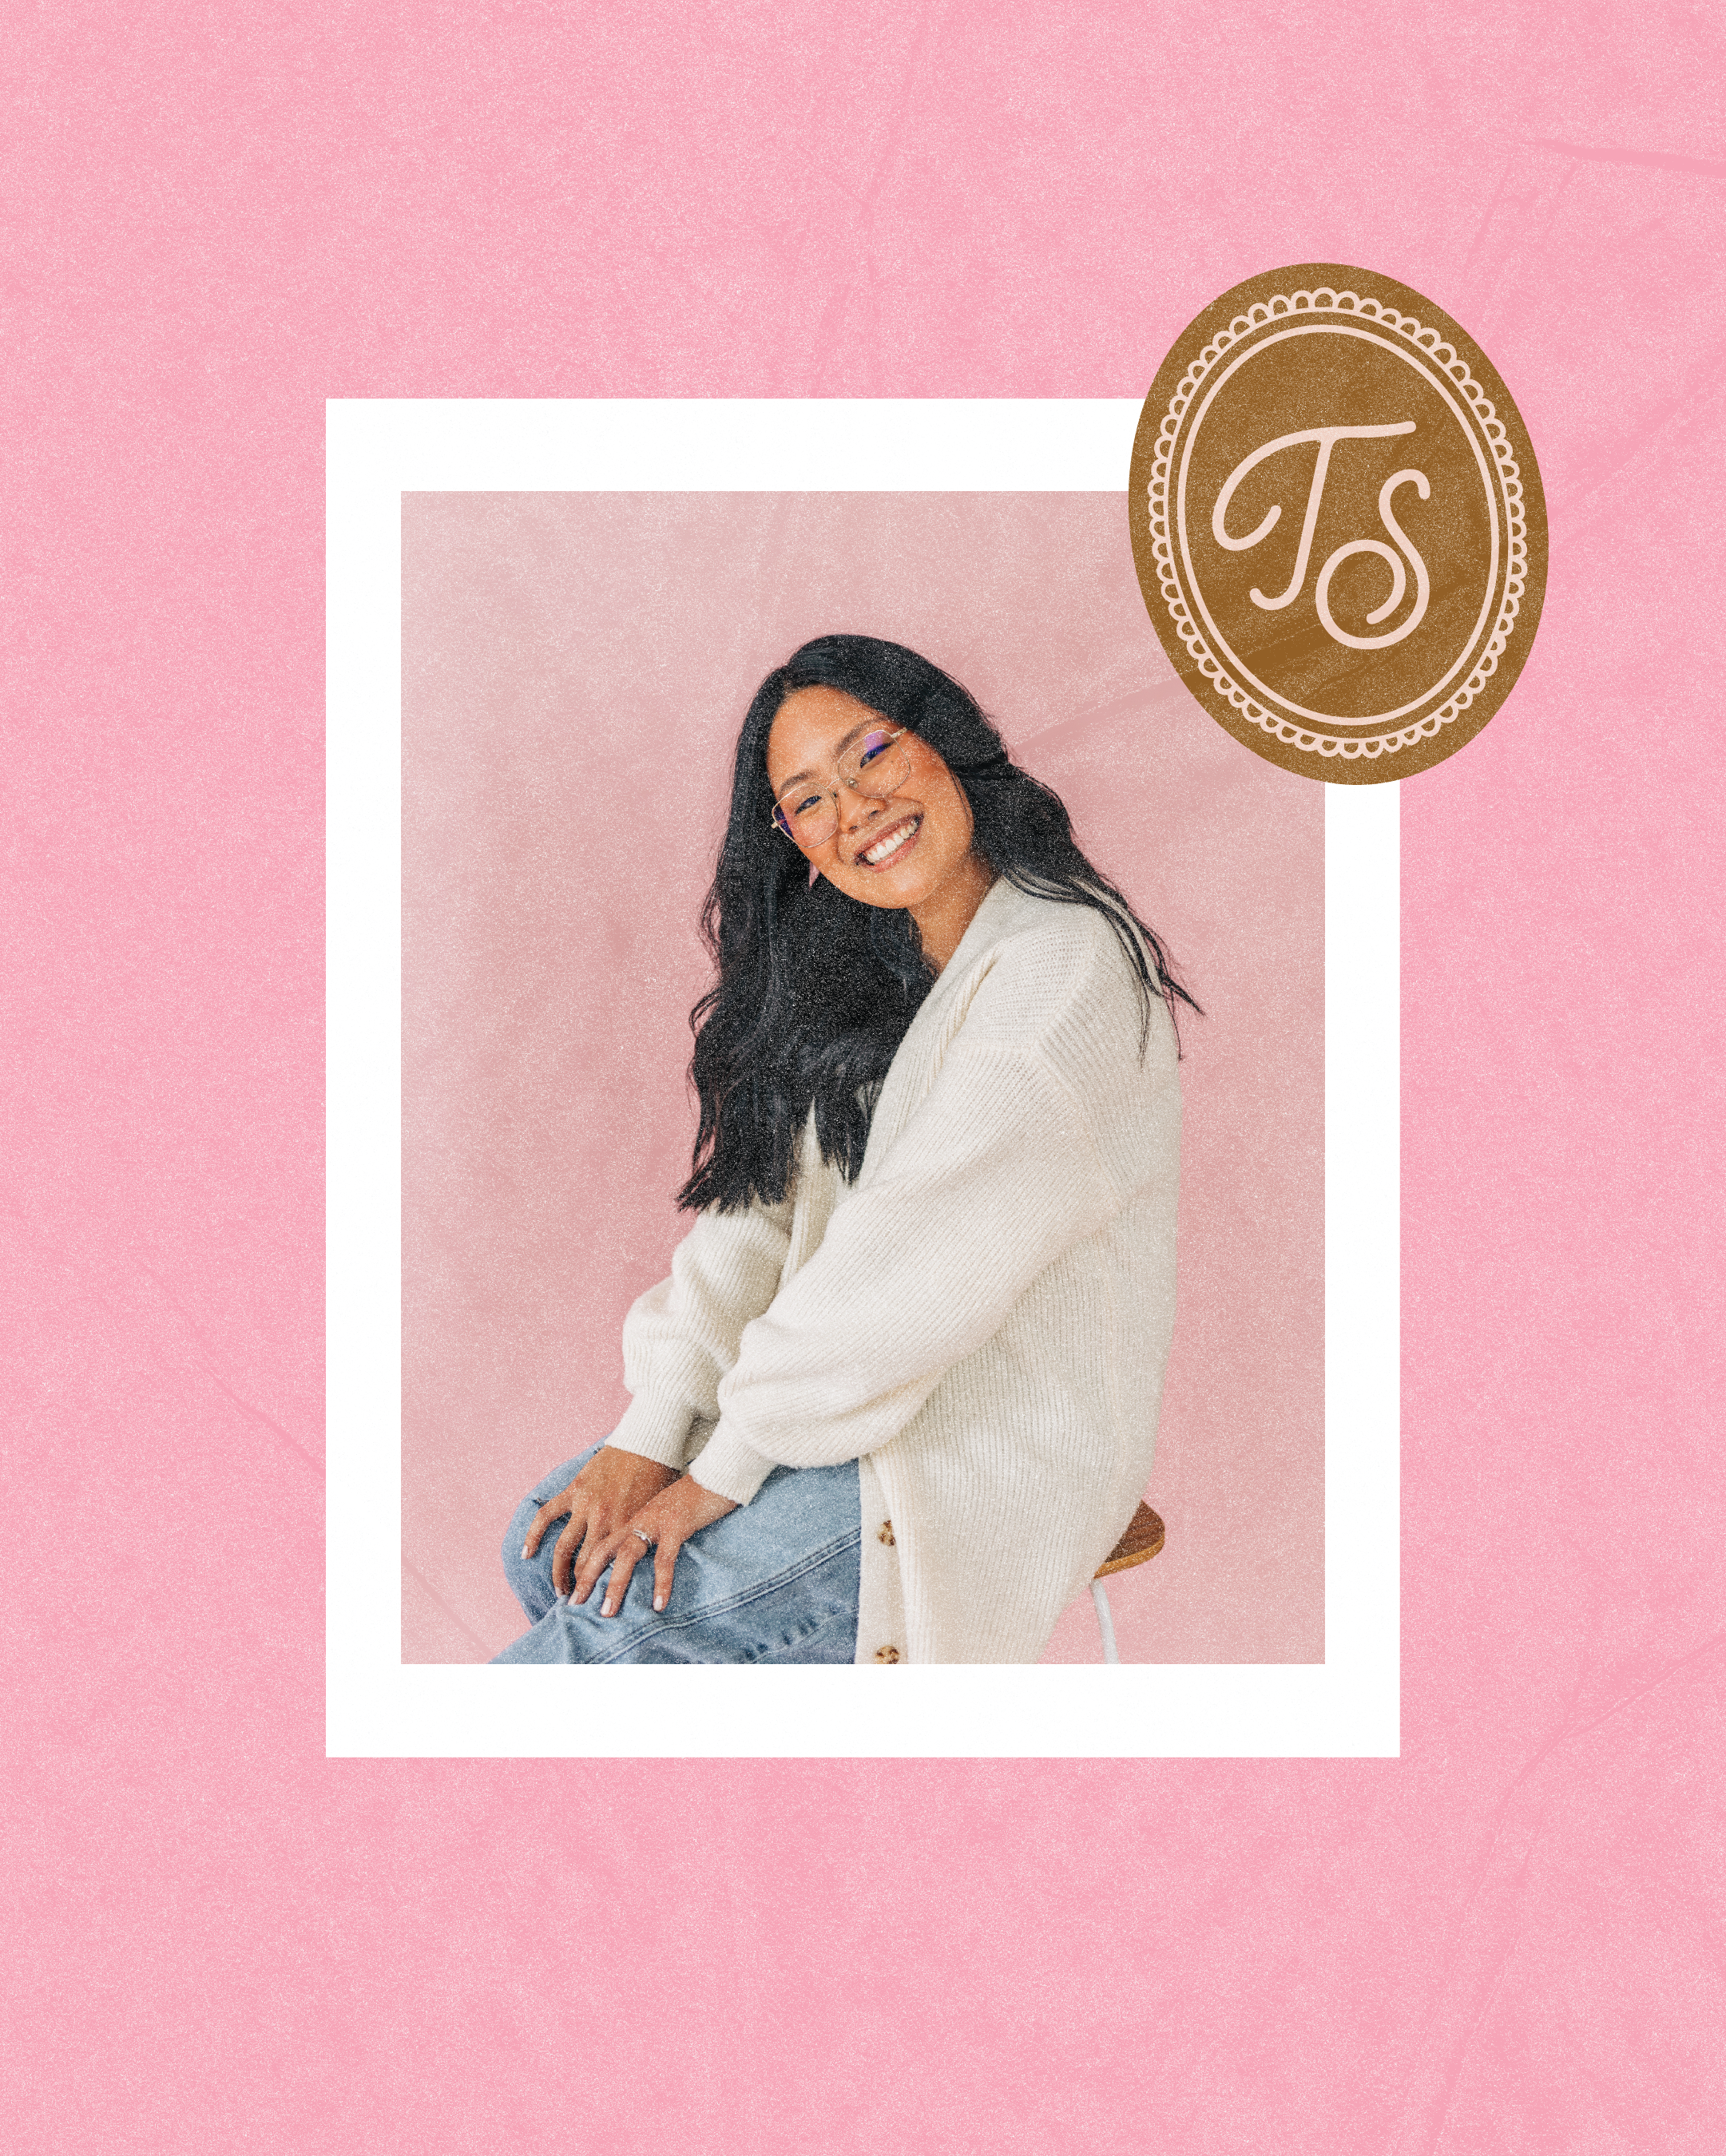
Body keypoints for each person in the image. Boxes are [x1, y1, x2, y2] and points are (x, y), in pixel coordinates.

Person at [492, 634, 1195, 1665]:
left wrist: (717, 1471)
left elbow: (906, 1281)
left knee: (610, 1626)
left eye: (870, 753)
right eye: (807, 799)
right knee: (544, 1545)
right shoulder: (876, 960)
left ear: (947, 740)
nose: (853, 809)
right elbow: (755, 1221)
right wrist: (649, 1435)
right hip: (847, 1409)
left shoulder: (1059, 978)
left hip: (973, 1449)